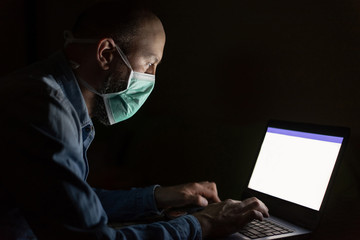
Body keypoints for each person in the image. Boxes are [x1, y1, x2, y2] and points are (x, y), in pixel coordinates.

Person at [0, 1, 269, 239]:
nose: (152, 77)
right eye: (149, 64)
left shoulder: (53, 96)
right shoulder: (44, 109)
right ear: (106, 54)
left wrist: (158, 197)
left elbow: (68, 203)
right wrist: (202, 223)